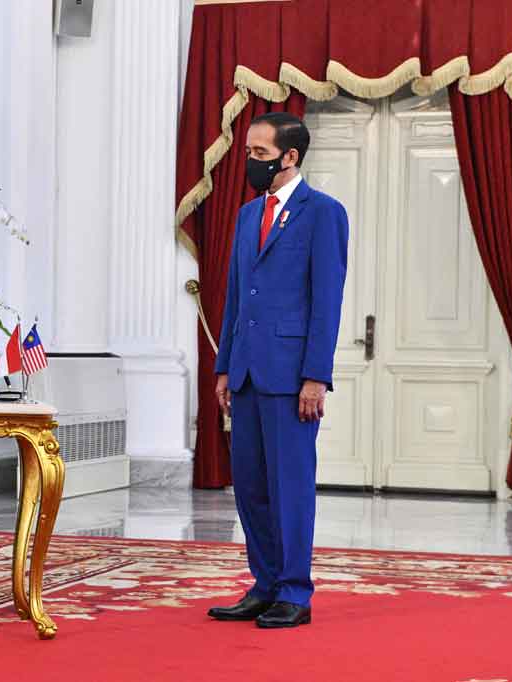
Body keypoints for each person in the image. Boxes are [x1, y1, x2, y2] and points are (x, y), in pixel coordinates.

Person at [206, 112, 348, 629]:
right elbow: (236, 296)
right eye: (248, 152)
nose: (250, 161)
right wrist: (224, 366)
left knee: (289, 484)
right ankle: (264, 584)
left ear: (290, 157)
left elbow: (326, 302)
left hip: (292, 377)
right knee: (249, 484)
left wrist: (316, 375)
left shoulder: (323, 214)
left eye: (260, 155)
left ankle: (294, 591)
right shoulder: (247, 215)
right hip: (245, 371)